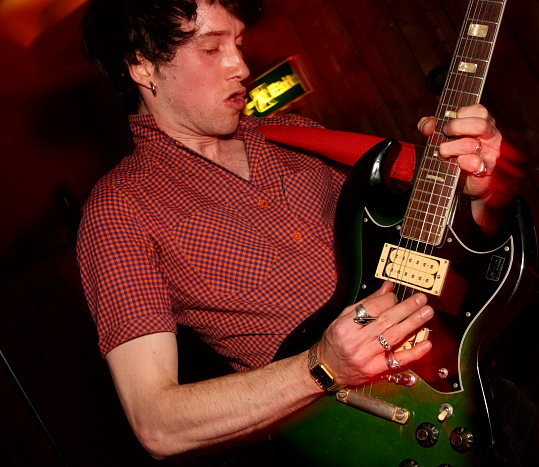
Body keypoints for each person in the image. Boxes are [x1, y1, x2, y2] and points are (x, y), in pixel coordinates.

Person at [77, 0, 514, 461]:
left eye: (239, 44)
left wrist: (476, 191)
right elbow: (157, 423)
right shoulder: (120, 210)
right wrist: (320, 367)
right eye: (211, 49)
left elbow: (429, 258)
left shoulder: (298, 137)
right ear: (143, 66)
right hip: (365, 442)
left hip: (479, 392)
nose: (240, 66)